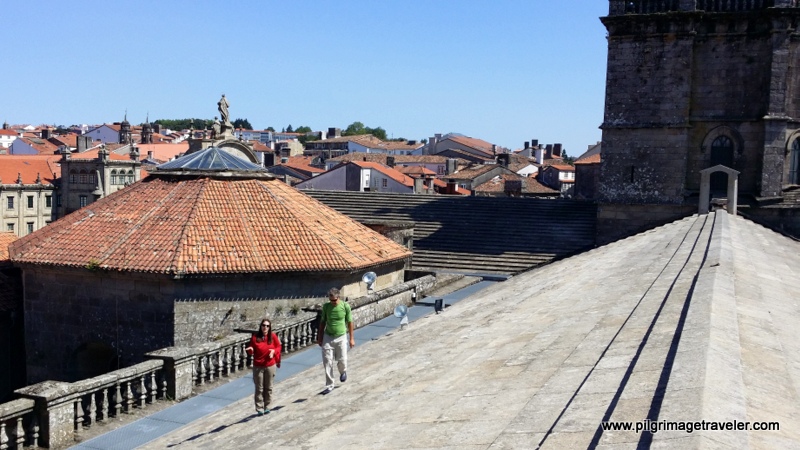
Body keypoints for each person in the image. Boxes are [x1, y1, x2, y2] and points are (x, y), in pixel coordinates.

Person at [317, 287, 354, 395]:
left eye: (334, 300)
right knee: (327, 361)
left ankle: (343, 371)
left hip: (341, 336)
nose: (332, 302)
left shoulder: (345, 306)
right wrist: (320, 337)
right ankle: (329, 385)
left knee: (342, 359)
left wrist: (351, 338)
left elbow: (350, 322)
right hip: (328, 336)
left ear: (338, 297)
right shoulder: (326, 307)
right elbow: (322, 322)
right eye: (331, 300)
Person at [245, 319, 281, 415]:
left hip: (270, 365)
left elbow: (278, 347)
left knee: (268, 387)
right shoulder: (255, 337)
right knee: (259, 388)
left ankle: (267, 406)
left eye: (267, 326)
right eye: (263, 325)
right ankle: (259, 408)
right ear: (260, 326)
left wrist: (274, 352)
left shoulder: (273, 336)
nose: (265, 327)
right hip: (258, 366)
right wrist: (251, 349)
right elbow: (252, 347)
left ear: (270, 327)